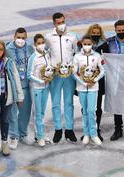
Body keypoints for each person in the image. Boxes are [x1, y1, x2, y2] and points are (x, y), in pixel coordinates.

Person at [45, 12, 78, 143]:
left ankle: (69, 130)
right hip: (55, 75)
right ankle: (58, 129)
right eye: (58, 23)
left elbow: (76, 53)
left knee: (69, 103)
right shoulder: (48, 37)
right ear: (54, 24)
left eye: (63, 22)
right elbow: (45, 53)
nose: (61, 25)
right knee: (56, 103)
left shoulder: (72, 37)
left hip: (69, 75)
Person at [73, 35, 105, 146]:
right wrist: (83, 82)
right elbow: (74, 72)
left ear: (92, 44)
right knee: (85, 111)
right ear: (82, 44)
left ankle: (94, 134)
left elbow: (102, 70)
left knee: (91, 111)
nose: (87, 46)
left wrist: (94, 80)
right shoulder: (77, 56)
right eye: (85, 44)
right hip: (81, 88)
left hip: (93, 88)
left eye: (89, 44)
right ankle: (86, 134)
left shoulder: (97, 56)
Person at [6, 27, 35, 149]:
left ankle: (22, 134)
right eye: (18, 37)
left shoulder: (29, 48)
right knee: (12, 113)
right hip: (12, 86)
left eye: (23, 38)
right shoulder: (8, 50)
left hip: (26, 85)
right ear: (14, 37)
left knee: (25, 112)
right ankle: (13, 135)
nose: (21, 40)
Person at [83, 24, 109, 141]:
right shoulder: (83, 45)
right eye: (93, 33)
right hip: (84, 81)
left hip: (99, 80)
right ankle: (87, 130)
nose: (95, 35)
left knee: (97, 106)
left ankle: (96, 129)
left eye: (98, 33)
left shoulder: (105, 45)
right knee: (86, 107)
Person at [27, 34, 54, 147]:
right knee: (37, 113)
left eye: (42, 42)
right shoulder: (33, 57)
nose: (41, 44)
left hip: (46, 87)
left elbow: (49, 69)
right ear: (35, 44)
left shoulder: (47, 55)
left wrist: (49, 77)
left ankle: (40, 134)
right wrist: (40, 81)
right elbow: (29, 75)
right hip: (36, 88)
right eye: (39, 43)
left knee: (42, 112)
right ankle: (40, 136)